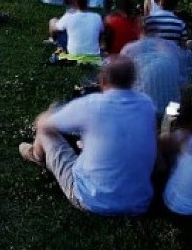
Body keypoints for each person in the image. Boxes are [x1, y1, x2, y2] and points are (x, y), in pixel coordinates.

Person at [19, 56, 157, 215]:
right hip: (139, 201)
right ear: (133, 81)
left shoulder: (92, 105)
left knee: (45, 131)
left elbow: (44, 124)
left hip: (91, 198)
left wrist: (47, 114)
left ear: (103, 80)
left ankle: (37, 154)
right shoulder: (146, 104)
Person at [120, 28, 186, 119]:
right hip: (172, 109)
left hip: (145, 110)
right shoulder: (173, 47)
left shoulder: (129, 49)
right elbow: (183, 81)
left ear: (140, 31)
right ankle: (168, 127)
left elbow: (120, 82)